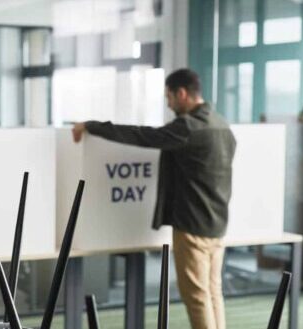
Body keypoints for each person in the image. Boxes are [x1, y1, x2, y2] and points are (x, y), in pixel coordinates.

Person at [72, 68, 236, 329]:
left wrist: (92, 126)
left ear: (182, 93)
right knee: (213, 292)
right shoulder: (221, 124)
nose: (168, 103)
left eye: (169, 97)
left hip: (192, 226)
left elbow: (142, 136)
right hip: (217, 225)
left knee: (197, 297)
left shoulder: (188, 128)